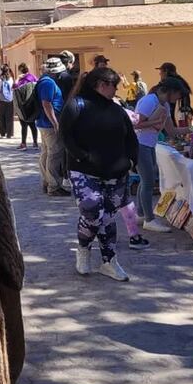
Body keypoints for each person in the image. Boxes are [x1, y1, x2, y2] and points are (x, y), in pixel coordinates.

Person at [59, 67, 139, 281]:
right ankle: (84, 249)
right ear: (102, 85)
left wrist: (131, 160)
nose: (116, 90)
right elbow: (65, 135)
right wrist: (83, 156)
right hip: (85, 171)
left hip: (115, 172)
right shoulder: (77, 105)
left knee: (108, 218)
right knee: (93, 212)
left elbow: (130, 137)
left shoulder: (117, 110)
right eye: (114, 85)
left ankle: (109, 261)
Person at [133, 77, 189, 233]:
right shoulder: (149, 101)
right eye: (178, 94)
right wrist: (156, 121)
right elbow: (136, 123)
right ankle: (149, 220)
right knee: (148, 182)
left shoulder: (164, 105)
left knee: (146, 181)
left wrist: (192, 130)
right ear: (170, 91)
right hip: (140, 144)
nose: (179, 99)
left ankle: (141, 214)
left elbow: (171, 131)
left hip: (150, 144)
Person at [37, 58, 68, 195]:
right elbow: (46, 104)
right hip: (49, 124)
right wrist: (55, 123)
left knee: (46, 153)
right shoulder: (48, 83)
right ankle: (54, 186)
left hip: (44, 123)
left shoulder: (44, 80)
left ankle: (47, 181)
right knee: (55, 154)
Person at [156, 62, 193, 127]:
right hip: (181, 120)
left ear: (166, 71)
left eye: (161, 71)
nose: (160, 74)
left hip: (178, 120)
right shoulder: (179, 81)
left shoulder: (171, 83)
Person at [13, 63, 39, 150]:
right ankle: (35, 143)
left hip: (22, 106)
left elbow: (14, 88)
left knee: (23, 125)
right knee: (32, 125)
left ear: (20, 70)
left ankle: (23, 144)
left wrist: (17, 78)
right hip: (32, 105)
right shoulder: (33, 77)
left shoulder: (21, 80)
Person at [0, 66, 15, 139]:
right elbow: (13, 89)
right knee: (9, 117)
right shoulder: (11, 79)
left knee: (2, 116)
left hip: (1, 100)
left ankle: (2, 133)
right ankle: (9, 133)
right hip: (10, 100)